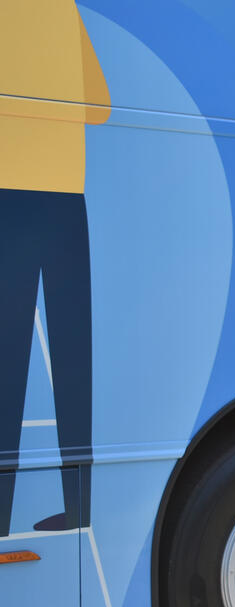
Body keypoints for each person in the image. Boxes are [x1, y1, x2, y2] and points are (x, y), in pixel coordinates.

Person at [0, 0, 109, 537]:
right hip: (68, 200)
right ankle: (80, 507)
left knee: (6, 360)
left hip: (12, 197)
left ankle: (0, 511)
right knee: (73, 362)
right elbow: (102, 108)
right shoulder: (66, 12)